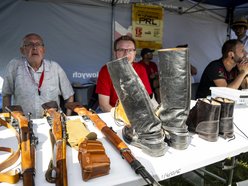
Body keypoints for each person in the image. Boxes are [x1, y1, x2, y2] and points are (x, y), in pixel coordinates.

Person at [2, 33, 74, 118]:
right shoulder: (14, 66)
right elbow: (6, 95)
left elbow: (69, 95)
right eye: (29, 44)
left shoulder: (55, 67)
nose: (34, 48)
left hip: (52, 123)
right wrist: (7, 120)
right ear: (22, 50)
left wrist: (68, 118)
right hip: (23, 123)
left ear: (43, 50)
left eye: (38, 44)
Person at [96, 35, 152, 112]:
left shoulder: (141, 69)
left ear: (135, 53)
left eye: (130, 50)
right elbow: (104, 105)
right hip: (112, 111)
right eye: (121, 50)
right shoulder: (106, 70)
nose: (126, 53)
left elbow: (146, 99)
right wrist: (122, 118)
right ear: (115, 52)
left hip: (136, 112)